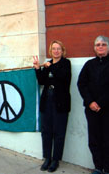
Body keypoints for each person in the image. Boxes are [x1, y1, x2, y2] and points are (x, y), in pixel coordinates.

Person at [77, 36, 109, 174]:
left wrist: (100, 103)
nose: (100, 47)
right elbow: (82, 84)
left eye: (103, 44)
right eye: (98, 44)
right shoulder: (89, 65)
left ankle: (108, 170)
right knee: (94, 141)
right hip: (92, 110)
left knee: (108, 142)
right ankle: (98, 167)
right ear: (94, 48)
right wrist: (90, 102)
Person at [33, 40, 71, 172]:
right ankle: (47, 158)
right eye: (54, 49)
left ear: (62, 51)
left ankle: (56, 160)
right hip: (47, 100)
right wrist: (38, 69)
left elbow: (63, 77)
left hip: (60, 102)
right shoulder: (47, 64)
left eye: (58, 49)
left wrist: (50, 67)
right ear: (51, 50)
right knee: (46, 131)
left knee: (59, 132)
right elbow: (42, 81)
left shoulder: (66, 63)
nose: (56, 51)